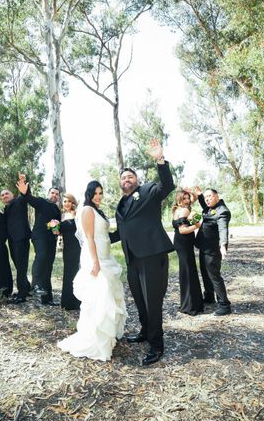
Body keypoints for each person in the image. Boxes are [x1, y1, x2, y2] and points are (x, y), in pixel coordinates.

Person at [109, 138, 175, 366]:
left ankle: (157, 346)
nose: (127, 179)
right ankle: (146, 332)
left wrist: (160, 160)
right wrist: (98, 240)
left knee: (152, 301)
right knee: (139, 299)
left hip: (152, 256)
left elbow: (167, 186)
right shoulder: (120, 204)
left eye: (130, 176)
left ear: (136, 180)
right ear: (119, 183)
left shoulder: (148, 191)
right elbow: (121, 231)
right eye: (123, 177)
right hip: (133, 259)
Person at [57, 181, 127, 360]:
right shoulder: (87, 210)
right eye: (95, 193)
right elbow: (89, 237)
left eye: (100, 193)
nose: (98, 196)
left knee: (109, 295)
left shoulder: (98, 210)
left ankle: (107, 337)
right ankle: (96, 341)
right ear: (88, 194)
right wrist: (95, 262)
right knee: (99, 297)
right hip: (94, 258)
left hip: (105, 256)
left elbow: (104, 235)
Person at [17, 178, 61, 306]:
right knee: (41, 257)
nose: (54, 195)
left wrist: (56, 229)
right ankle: (35, 285)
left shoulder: (57, 210)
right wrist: (25, 192)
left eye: (57, 194)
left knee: (48, 267)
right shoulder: (41, 202)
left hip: (51, 239)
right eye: (52, 193)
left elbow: (55, 228)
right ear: (48, 194)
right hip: (39, 236)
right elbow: (30, 199)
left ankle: (47, 299)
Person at [195, 187, 232, 316]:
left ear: (217, 196)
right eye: (206, 198)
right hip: (204, 247)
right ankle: (209, 296)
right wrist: (200, 196)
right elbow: (204, 206)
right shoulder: (210, 208)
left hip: (212, 250)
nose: (207, 199)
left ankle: (224, 304)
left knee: (214, 276)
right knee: (205, 273)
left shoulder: (223, 211)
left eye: (209, 196)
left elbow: (223, 229)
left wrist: (223, 244)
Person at [1, 174, 33, 304]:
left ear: (13, 195)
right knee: (18, 265)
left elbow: (25, 195)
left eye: (6, 194)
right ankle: (27, 287)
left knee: (21, 267)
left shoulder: (19, 201)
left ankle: (22, 294)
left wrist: (23, 182)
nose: (4, 196)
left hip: (21, 238)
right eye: (2, 195)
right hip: (12, 240)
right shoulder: (6, 207)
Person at [171, 189, 204, 316]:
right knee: (189, 271)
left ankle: (188, 303)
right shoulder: (184, 210)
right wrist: (197, 225)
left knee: (186, 271)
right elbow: (183, 230)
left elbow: (194, 199)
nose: (187, 200)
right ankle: (191, 305)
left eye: (188, 198)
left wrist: (192, 193)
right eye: (184, 198)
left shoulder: (177, 210)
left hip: (180, 243)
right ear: (179, 199)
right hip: (184, 242)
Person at [60, 193, 81, 310]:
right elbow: (57, 232)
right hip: (67, 248)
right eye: (64, 201)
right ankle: (67, 302)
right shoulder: (62, 216)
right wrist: (53, 227)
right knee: (68, 273)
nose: (66, 203)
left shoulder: (78, 214)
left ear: (73, 202)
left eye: (68, 201)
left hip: (77, 246)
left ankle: (77, 301)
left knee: (77, 272)